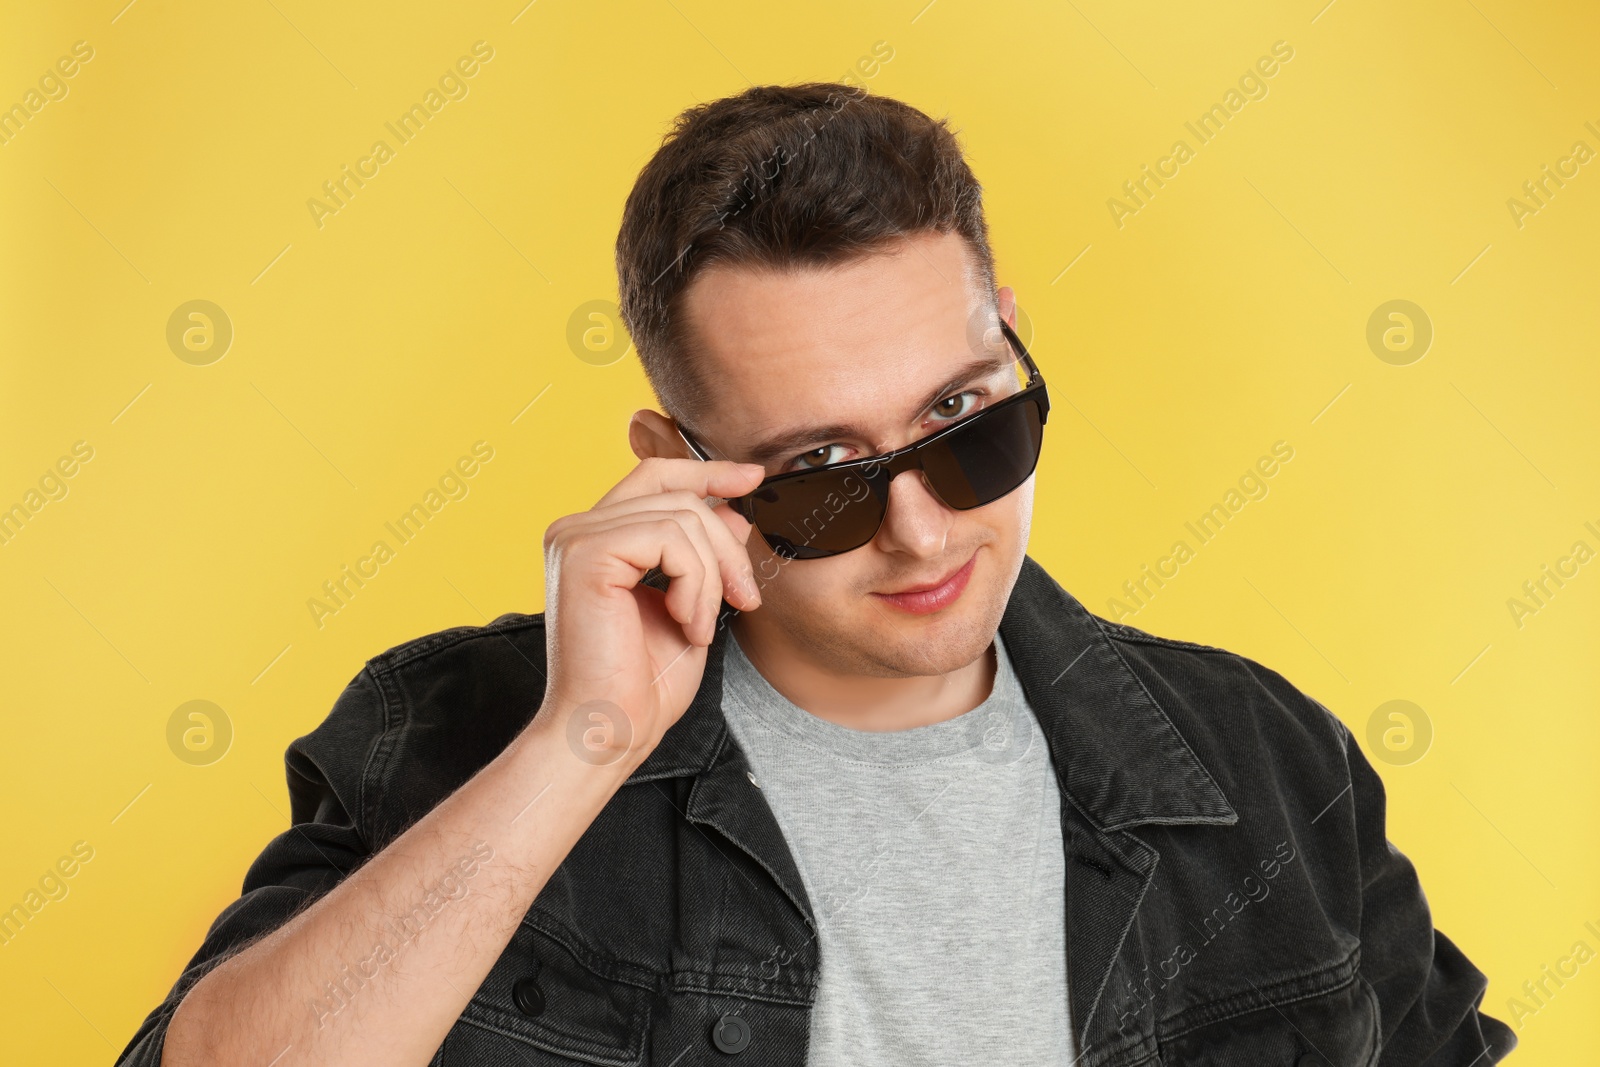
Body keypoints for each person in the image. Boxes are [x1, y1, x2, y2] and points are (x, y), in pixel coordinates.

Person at [119, 82, 1515, 1067]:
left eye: (968, 424)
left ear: (1013, 347)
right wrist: (583, 741)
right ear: (681, 464)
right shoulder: (456, 733)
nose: (920, 533)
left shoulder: (1267, 763)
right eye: (824, 479)